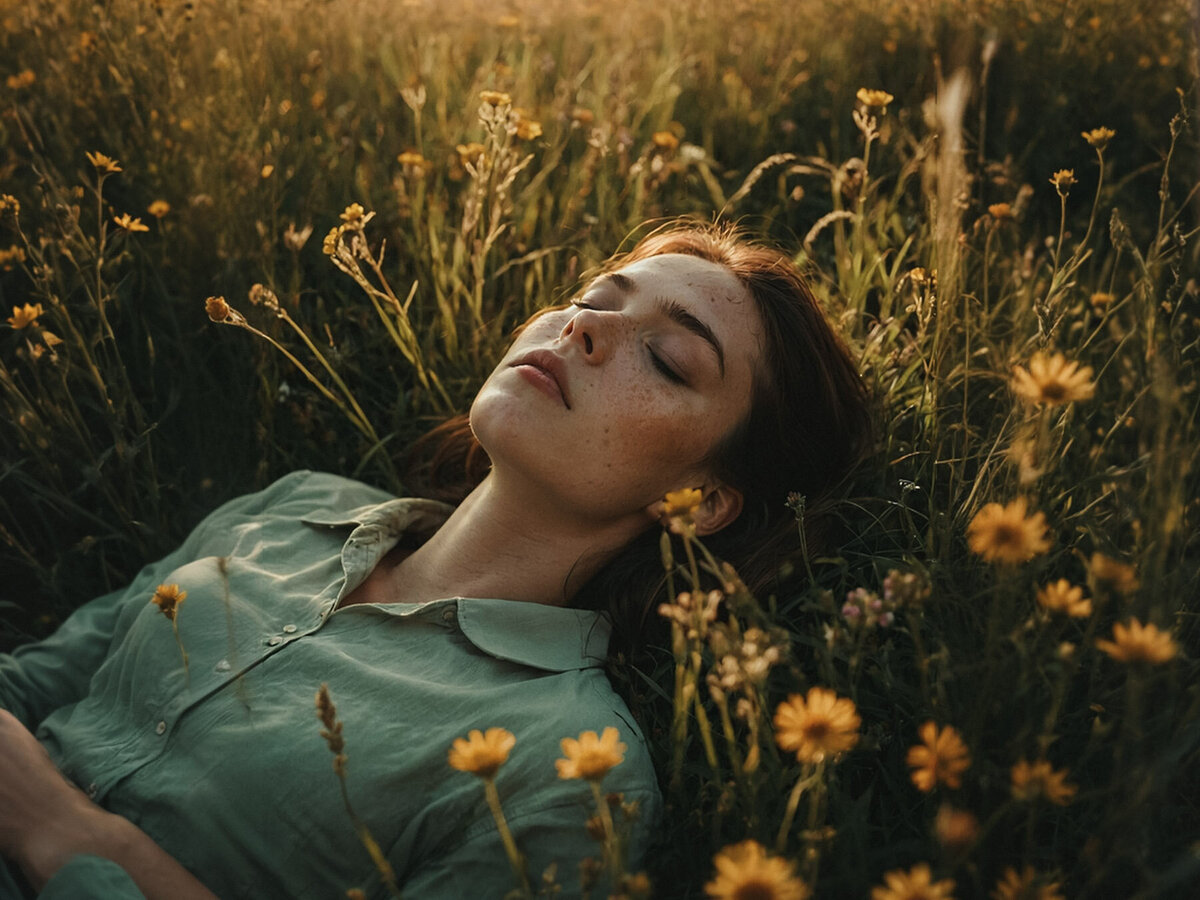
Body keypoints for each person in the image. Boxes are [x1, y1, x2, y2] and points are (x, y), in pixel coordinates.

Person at [0, 220, 872, 899]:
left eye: (669, 358)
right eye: (597, 295)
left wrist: (66, 835)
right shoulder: (292, 505)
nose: (588, 329)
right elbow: (34, 683)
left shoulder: (568, 767)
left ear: (707, 501)